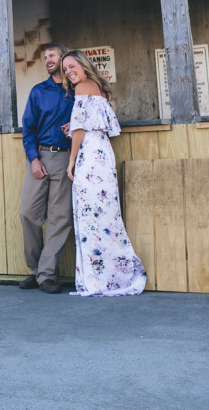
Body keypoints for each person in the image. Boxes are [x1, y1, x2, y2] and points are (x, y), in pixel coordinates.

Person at [63, 50, 147, 297]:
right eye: (65, 69)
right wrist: (77, 127)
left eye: (71, 66)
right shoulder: (96, 86)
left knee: (91, 218)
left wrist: (71, 161)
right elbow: (92, 124)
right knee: (105, 217)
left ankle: (99, 281)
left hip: (90, 157)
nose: (68, 72)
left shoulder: (82, 88)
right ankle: (114, 276)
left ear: (83, 64)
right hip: (102, 153)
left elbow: (79, 128)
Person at [19, 43, 76, 294]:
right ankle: (34, 270)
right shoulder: (38, 91)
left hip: (67, 158)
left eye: (51, 55)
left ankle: (46, 275)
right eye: (45, 57)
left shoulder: (78, 90)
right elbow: (28, 129)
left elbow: (97, 115)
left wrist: (74, 126)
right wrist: (33, 159)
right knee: (28, 213)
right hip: (40, 156)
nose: (47, 60)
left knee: (60, 218)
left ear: (64, 58)